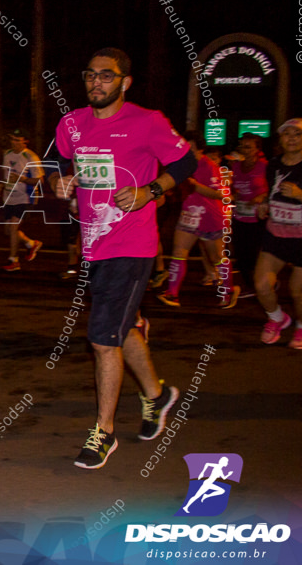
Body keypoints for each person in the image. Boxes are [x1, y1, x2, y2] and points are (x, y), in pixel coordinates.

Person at [51, 47, 196, 470]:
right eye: (90, 75)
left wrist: (151, 190)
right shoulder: (71, 123)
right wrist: (64, 183)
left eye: (107, 76)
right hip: (94, 243)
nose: (97, 82)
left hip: (132, 246)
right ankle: (157, 395)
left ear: (125, 82)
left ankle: (104, 431)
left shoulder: (147, 122)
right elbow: (63, 160)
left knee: (101, 339)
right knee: (121, 326)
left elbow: (187, 161)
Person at [255, 119, 302, 349]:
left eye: (298, 134)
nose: (291, 138)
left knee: (299, 292)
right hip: (275, 234)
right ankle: (277, 318)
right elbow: (272, 193)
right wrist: (263, 203)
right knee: (261, 284)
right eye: (286, 134)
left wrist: (301, 195)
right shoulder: (273, 164)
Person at [157, 132, 238, 308]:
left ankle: (229, 289)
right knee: (179, 253)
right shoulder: (182, 165)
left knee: (216, 256)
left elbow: (219, 194)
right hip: (189, 215)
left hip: (210, 217)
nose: (186, 150)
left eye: (190, 147)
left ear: (200, 148)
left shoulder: (208, 166)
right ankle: (172, 293)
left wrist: (195, 185)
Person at [228, 133, 268, 299]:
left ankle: (262, 284)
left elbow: (273, 188)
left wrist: (261, 197)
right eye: (242, 146)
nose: (244, 149)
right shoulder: (236, 166)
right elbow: (233, 187)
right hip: (240, 215)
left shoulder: (264, 166)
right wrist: (234, 194)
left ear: (257, 150)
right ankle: (251, 285)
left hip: (258, 217)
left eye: (248, 146)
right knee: (241, 253)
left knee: (256, 254)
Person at [0, 128, 44, 272]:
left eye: (17, 140)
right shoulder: (7, 154)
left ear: (25, 141)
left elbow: (39, 181)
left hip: (25, 197)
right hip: (9, 197)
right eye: (12, 139)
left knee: (13, 227)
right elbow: (6, 175)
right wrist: (1, 185)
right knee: (8, 231)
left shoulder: (31, 157)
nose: (14, 143)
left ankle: (14, 260)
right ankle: (31, 243)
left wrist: (22, 179)